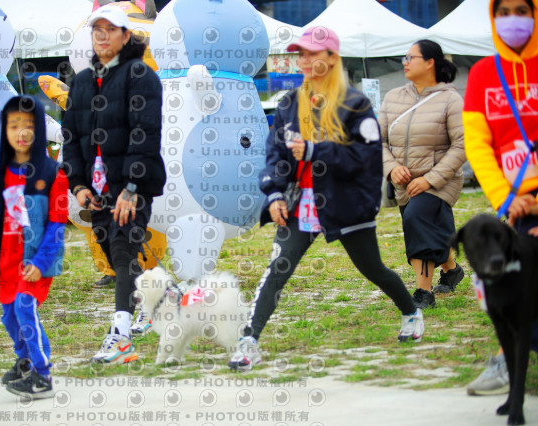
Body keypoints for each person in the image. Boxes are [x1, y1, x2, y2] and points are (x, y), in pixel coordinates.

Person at [228, 26, 424, 372]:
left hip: (345, 203)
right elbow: (275, 154)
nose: (304, 60)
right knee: (277, 270)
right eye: (300, 54)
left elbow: (365, 159)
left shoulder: (355, 104)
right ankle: (249, 341)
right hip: (299, 203)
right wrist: (274, 192)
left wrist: (316, 151)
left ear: (332, 58)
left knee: (373, 269)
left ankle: (411, 312)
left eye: (312, 53)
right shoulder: (290, 103)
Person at [61, 5, 165, 363]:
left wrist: (132, 188)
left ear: (125, 35)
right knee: (113, 251)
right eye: (97, 29)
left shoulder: (141, 76)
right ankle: (158, 296)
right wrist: (78, 184)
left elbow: (145, 133)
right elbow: (71, 137)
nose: (102, 35)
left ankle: (120, 336)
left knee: (122, 249)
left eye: (110, 29)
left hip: (133, 184)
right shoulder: (82, 82)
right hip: (96, 188)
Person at [463, 0, 538, 396]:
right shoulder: (482, 73)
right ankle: (508, 363)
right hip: (516, 204)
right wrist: (505, 198)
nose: (512, 19)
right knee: (515, 285)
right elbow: (478, 144)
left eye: (521, 10)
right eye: (503, 11)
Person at [0, 95, 68, 398]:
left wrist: (41, 262)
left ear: (39, 128)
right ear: (5, 131)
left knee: (24, 307)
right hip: (4, 261)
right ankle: (25, 360)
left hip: (36, 261)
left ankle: (43, 375)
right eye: (14, 125)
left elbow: (56, 225)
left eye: (28, 125)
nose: (21, 132)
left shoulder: (54, 173)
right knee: (9, 315)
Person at [379, 39, 467, 310]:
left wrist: (430, 179)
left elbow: (463, 144)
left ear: (430, 63)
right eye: (404, 58)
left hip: (440, 181)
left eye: (411, 57)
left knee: (417, 218)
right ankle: (451, 269)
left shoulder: (450, 99)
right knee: (428, 228)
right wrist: (391, 168)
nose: (405, 62)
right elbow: (377, 141)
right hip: (404, 183)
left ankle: (423, 292)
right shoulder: (393, 97)